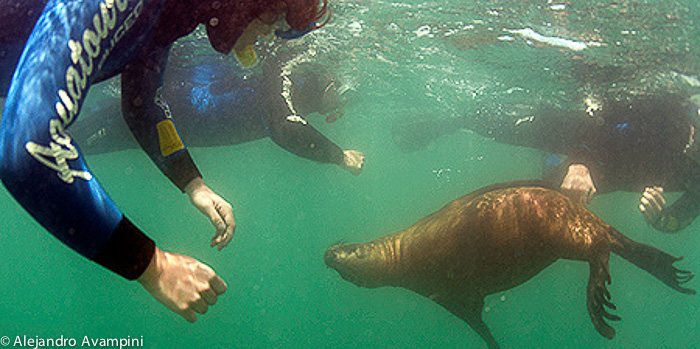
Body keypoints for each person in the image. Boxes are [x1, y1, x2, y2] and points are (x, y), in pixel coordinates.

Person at [0, 0, 328, 322]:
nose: (270, 37)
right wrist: (152, 265)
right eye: (279, 23)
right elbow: (28, 146)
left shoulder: (174, 11)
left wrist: (192, 183)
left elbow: (143, 106)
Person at [392, 93, 700, 234]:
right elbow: (595, 108)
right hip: (575, 135)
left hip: (597, 180)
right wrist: (580, 163)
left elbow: (678, 220)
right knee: (507, 127)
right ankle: (445, 121)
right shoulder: (673, 110)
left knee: (544, 187)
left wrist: (658, 219)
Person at [72, 38, 365, 175]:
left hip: (171, 125)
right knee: (63, 142)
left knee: (67, 146)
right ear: (329, 78)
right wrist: (340, 157)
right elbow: (284, 127)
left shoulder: (306, 91)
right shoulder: (286, 65)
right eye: (344, 92)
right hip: (156, 112)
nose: (343, 104)